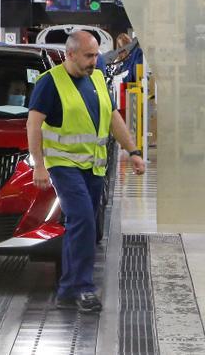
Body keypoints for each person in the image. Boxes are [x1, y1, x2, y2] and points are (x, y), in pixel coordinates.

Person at [27, 30, 146, 313]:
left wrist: (134, 151)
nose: (95, 61)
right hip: (64, 165)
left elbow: (113, 117)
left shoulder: (96, 79)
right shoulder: (49, 83)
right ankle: (83, 288)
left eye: (95, 55)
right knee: (82, 219)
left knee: (82, 227)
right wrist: (40, 165)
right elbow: (33, 124)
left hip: (93, 167)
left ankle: (67, 288)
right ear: (70, 54)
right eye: (89, 56)